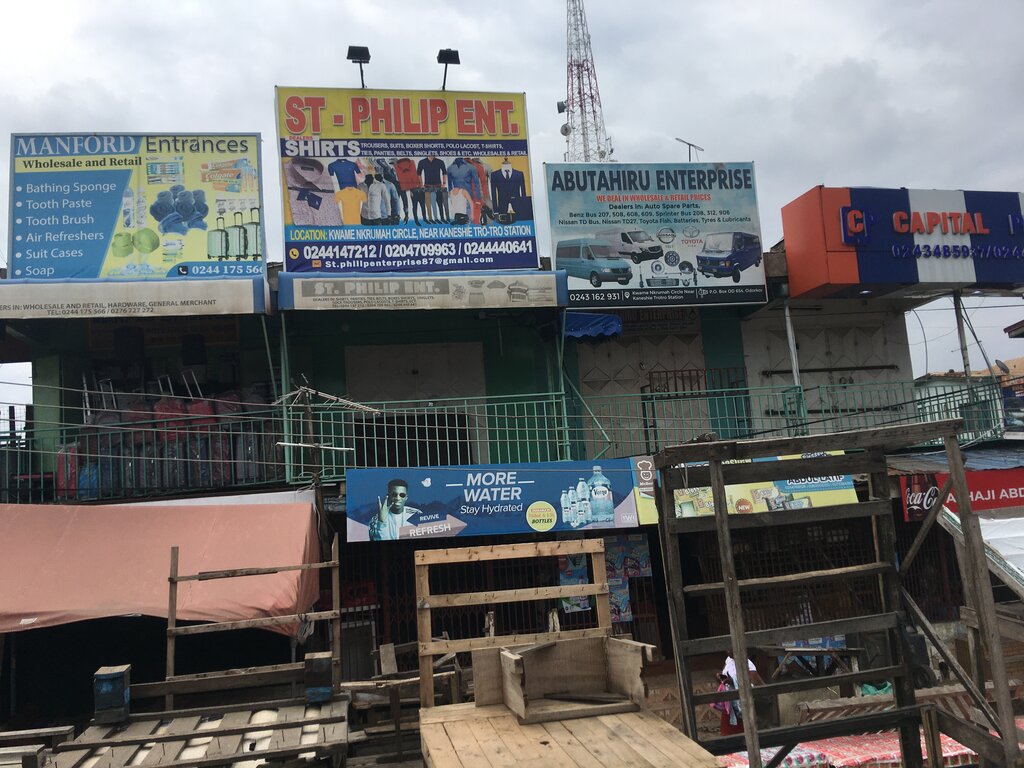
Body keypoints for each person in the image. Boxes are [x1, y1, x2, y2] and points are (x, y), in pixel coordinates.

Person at [717, 653, 764, 736]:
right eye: (727, 650)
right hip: (729, 701)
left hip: (742, 703)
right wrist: (722, 677)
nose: (728, 652)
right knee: (728, 730)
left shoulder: (747, 664)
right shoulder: (729, 660)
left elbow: (753, 684)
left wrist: (733, 681)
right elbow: (725, 673)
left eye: (730, 649)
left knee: (744, 731)